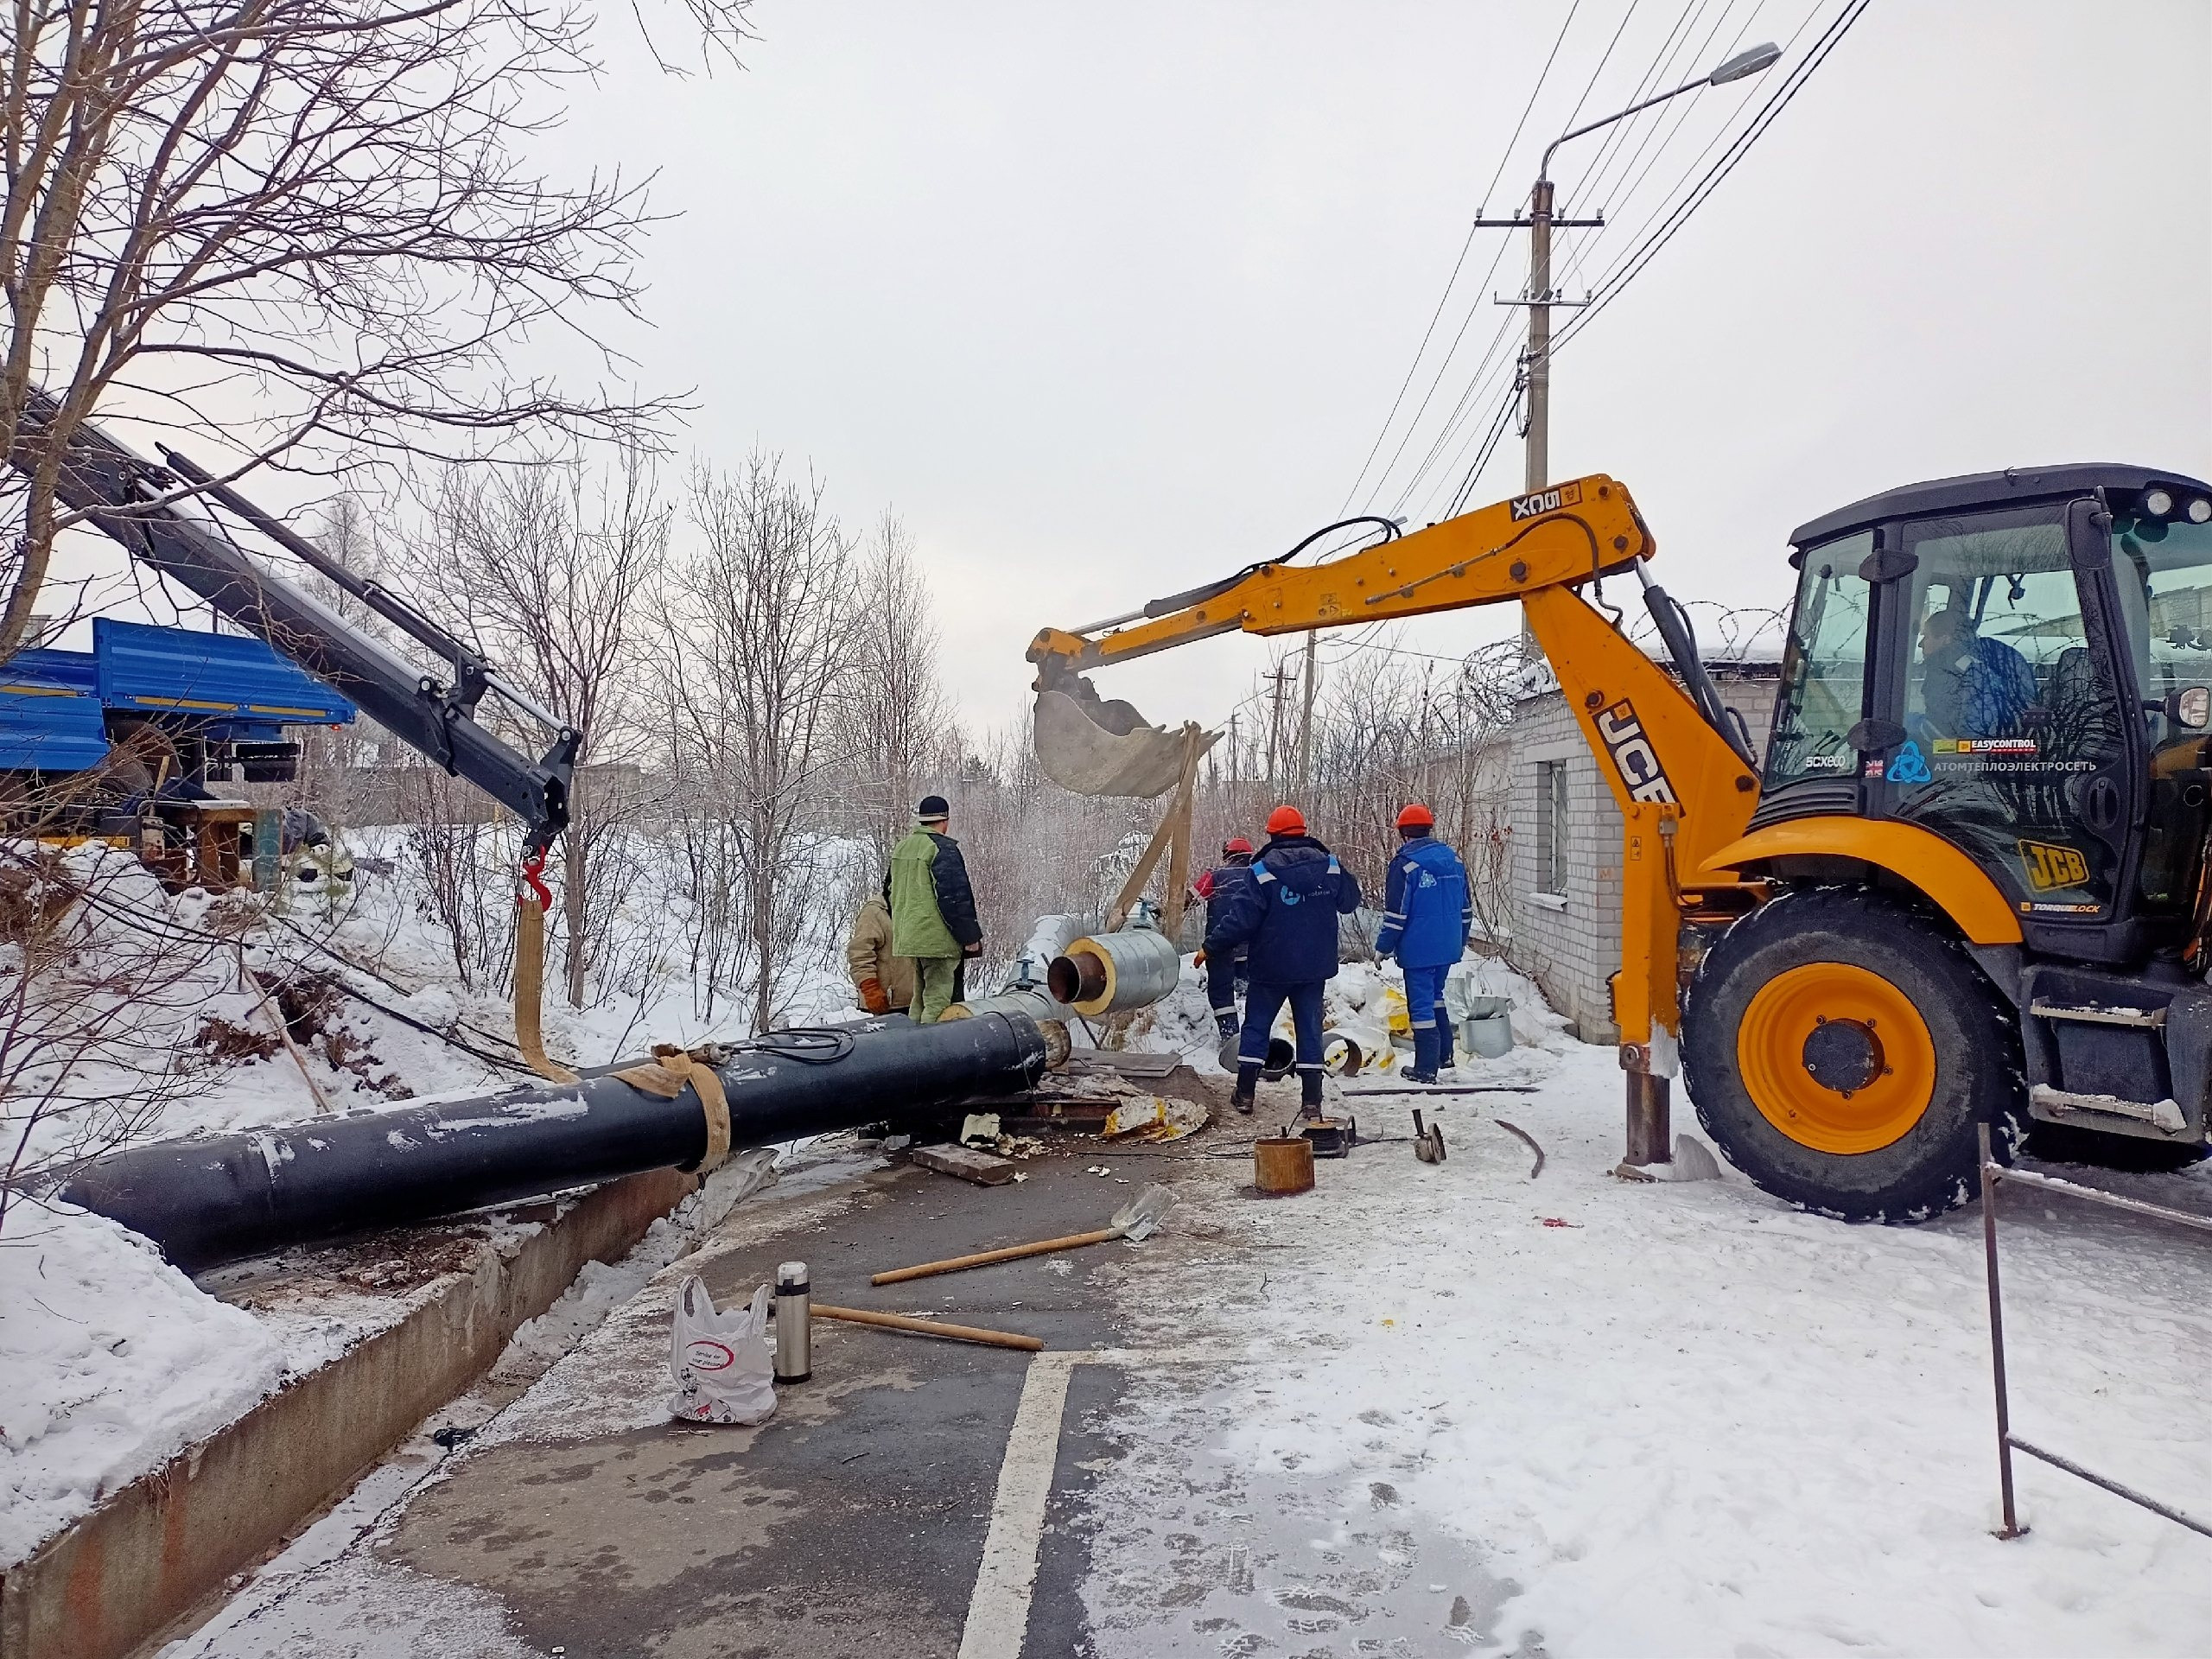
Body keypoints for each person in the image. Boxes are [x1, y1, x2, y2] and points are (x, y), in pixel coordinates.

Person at [1205, 804, 1362, 1118]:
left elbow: (1241, 921)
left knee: (1257, 1028)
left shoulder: (1262, 871)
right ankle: (1312, 1103)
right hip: (1313, 968)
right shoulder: (1329, 867)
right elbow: (1350, 902)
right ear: (1303, 831)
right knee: (1310, 1031)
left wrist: (1210, 947)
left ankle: (1245, 1095)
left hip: (1270, 969)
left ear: (1273, 835)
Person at [1374, 804, 1473, 1084]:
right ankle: (1445, 1055)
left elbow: (1396, 914)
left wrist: (1383, 946)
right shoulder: (1453, 861)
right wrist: (1461, 940)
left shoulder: (1405, 865)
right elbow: (1466, 909)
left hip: (1419, 949)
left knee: (1420, 1006)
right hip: (1448, 946)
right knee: (1435, 996)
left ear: (1403, 833)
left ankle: (1426, 1068)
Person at [886, 794, 982, 1024]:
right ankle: (931, 1052)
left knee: (919, 999)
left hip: (911, 938)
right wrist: (970, 937)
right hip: (938, 942)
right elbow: (954, 899)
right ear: (945, 820)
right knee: (939, 1003)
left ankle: (912, 1047)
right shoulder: (943, 849)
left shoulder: (903, 847)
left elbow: (888, 892)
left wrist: (905, 926)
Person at [1918, 606, 2036, 740]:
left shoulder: (1945, 668)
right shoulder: (2002, 655)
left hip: (1960, 753)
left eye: (1926, 637)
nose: (1920, 644)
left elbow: (1940, 726)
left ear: (1946, 639)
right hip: (2011, 744)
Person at [1191, 836, 1255, 1040]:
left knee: (1221, 992)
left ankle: (1230, 1037)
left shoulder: (1215, 876)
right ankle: (1253, 1034)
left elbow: (1190, 900)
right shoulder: (1258, 876)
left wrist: (1165, 912)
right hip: (1252, 945)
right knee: (1251, 988)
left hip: (1219, 944)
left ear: (1228, 855)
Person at [845, 887, 916, 1016]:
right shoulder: (875, 911)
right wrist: (870, 988)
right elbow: (859, 954)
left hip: (918, 1003)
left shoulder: (921, 904)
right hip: (884, 1005)